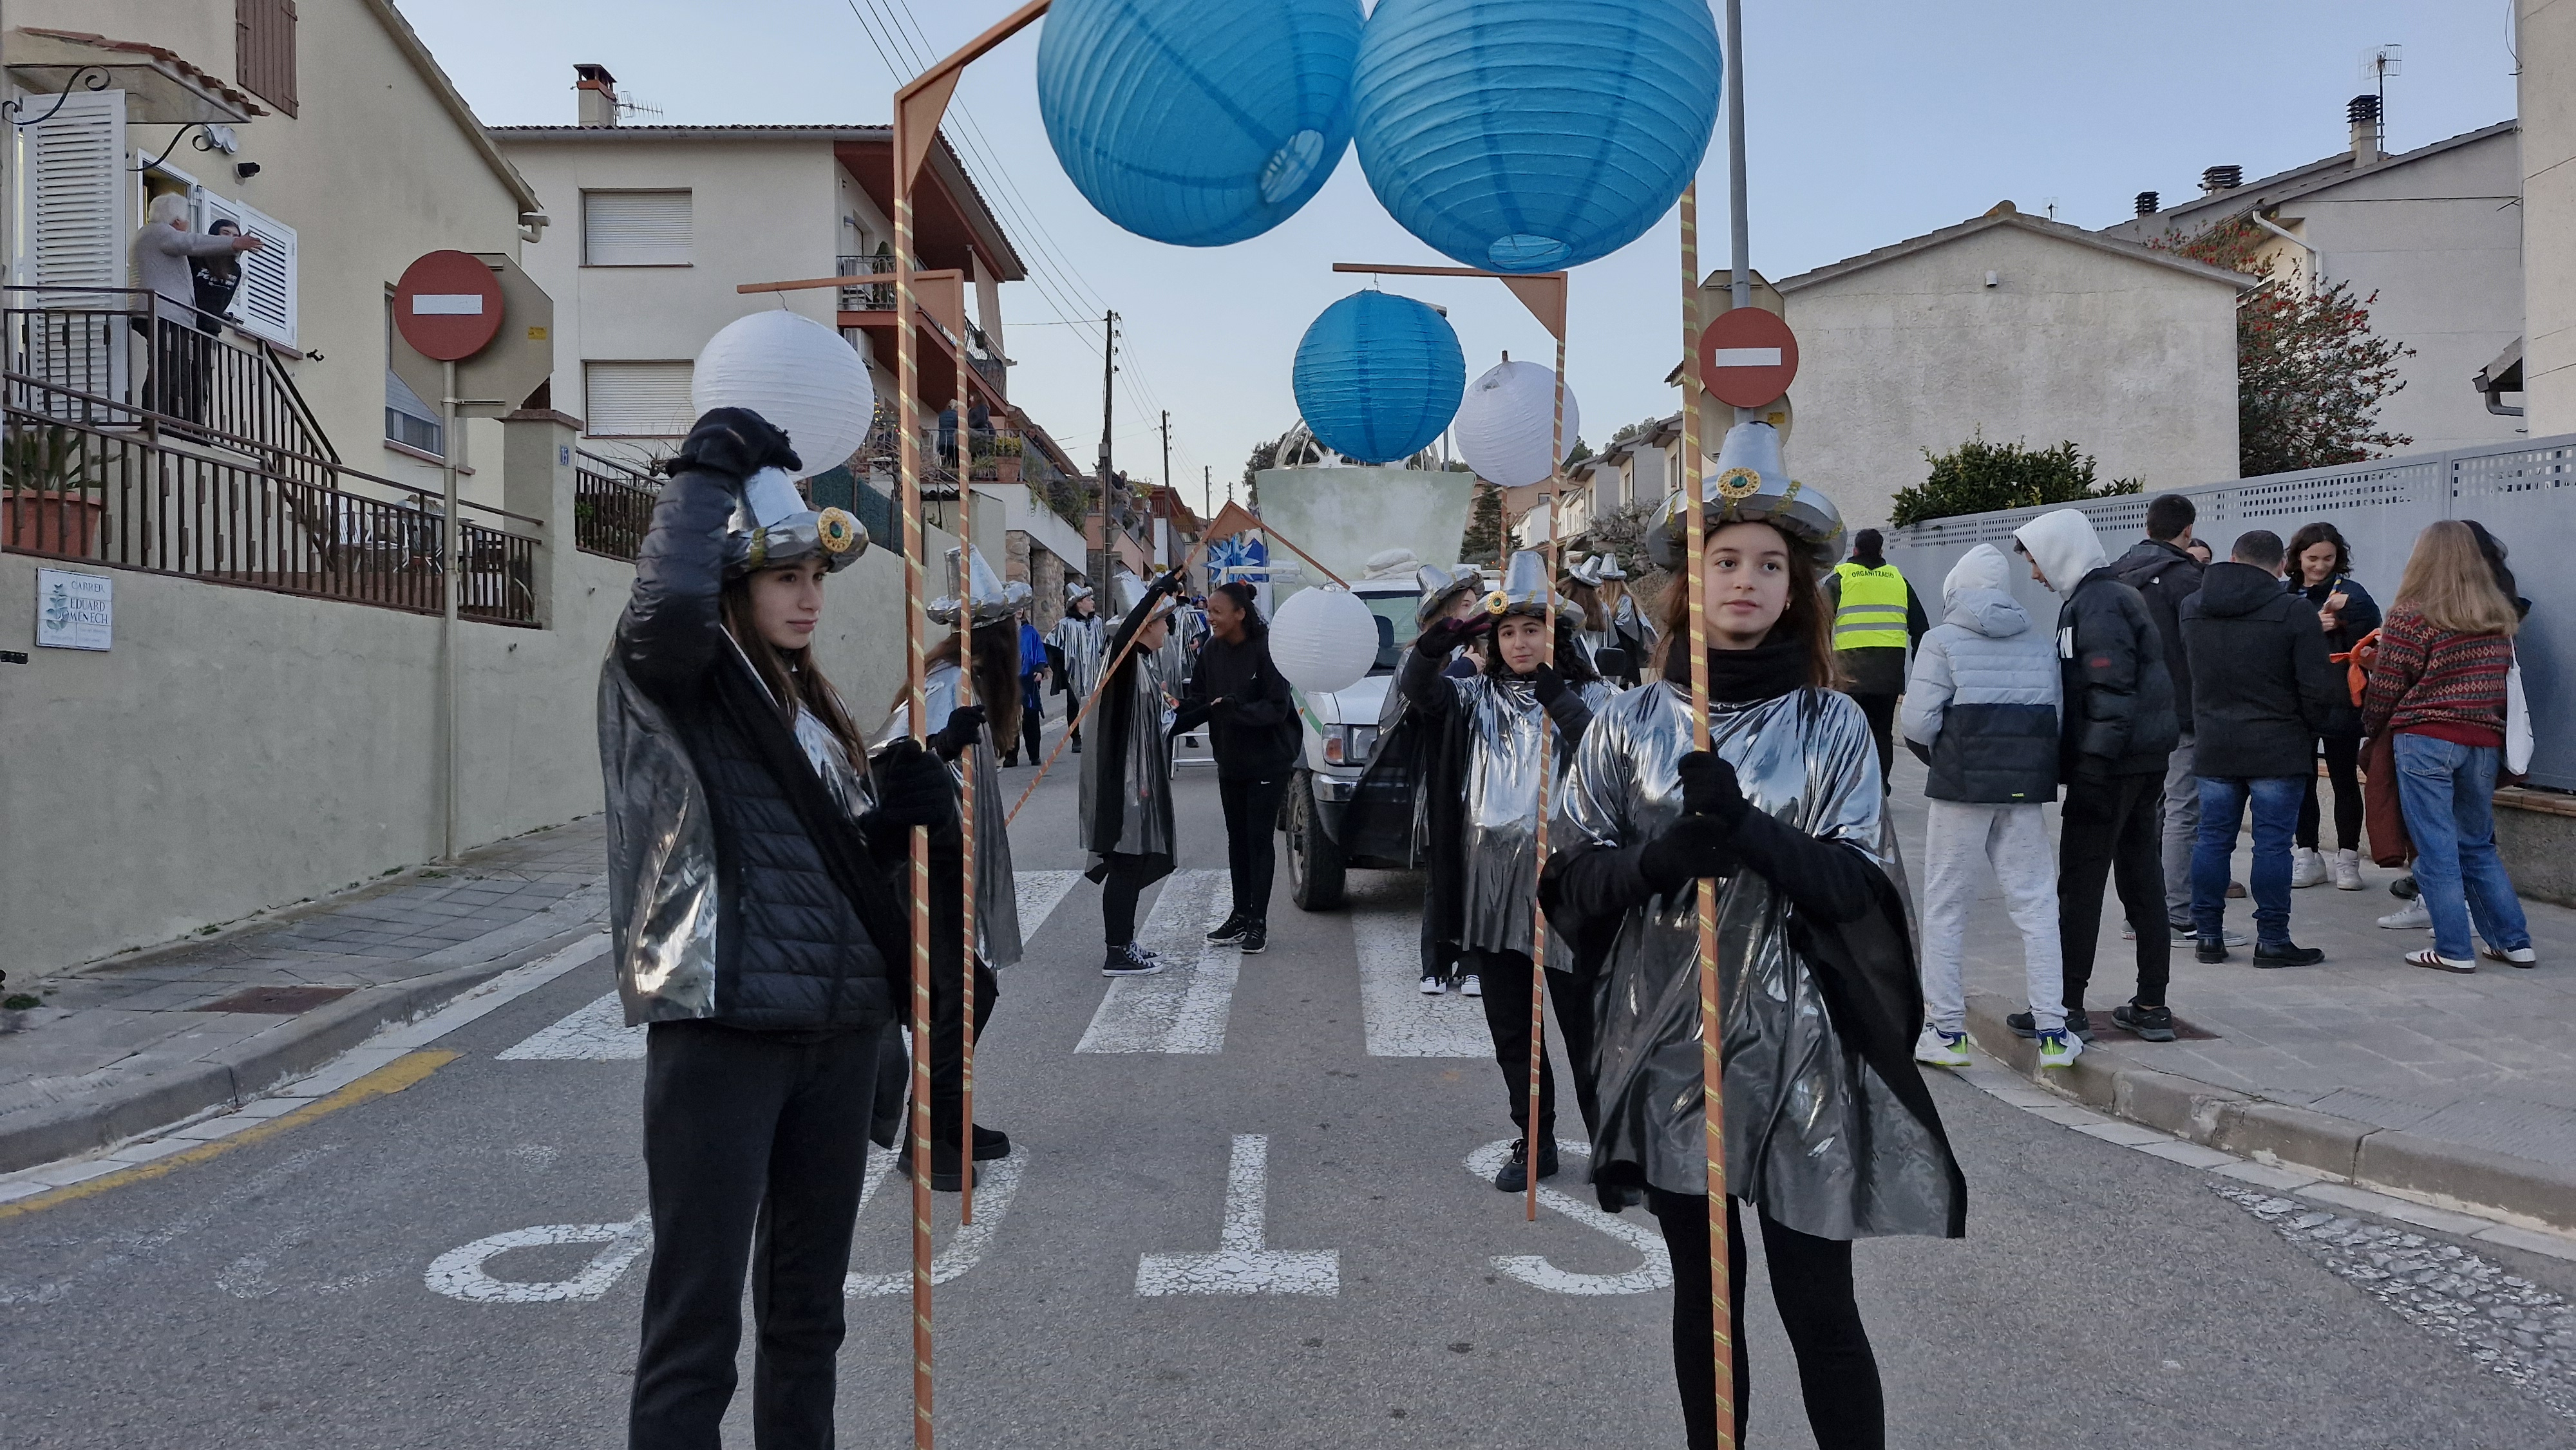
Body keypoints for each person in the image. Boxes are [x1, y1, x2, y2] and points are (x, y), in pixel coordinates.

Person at [1544, 422, 1963, 1450]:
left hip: (1805, 1057)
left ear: (1796, 587)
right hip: (1669, 1048)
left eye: (1769, 565)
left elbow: (1857, 887)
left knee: (1822, 1309)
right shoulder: (1627, 722)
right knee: (1710, 1307)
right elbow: (1565, 884)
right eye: (1724, 561)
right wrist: (1658, 860)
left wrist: (1745, 830)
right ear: (1690, 583)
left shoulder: (1832, 726)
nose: (1745, 580)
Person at [601, 408, 955, 1450]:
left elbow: (823, 874)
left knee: (810, 1318)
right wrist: (703, 474)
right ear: (733, 586)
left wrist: (890, 825)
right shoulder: (689, 685)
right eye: (782, 577)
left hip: (838, 1035)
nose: (808, 597)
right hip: (726, 1028)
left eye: (814, 576)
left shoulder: (811, 706)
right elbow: (661, 611)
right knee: (697, 1326)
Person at [1402, 549, 1609, 1191]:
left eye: (1533, 628)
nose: (1521, 641)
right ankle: (1535, 1138)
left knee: (1586, 1029)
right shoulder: (1472, 697)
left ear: (1557, 633)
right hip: (1492, 892)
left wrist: (1559, 699)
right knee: (1514, 1032)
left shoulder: (1593, 694)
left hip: (1570, 892)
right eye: (1508, 631)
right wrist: (1441, 639)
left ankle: (1610, 1144)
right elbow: (1418, 689)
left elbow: (1613, 756)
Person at [879, 547, 1027, 1191]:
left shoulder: (966, 681)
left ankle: (947, 1119)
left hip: (945, 862)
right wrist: (940, 745)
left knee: (969, 992)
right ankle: (925, 1135)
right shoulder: (950, 683)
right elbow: (892, 760)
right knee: (952, 998)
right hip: (922, 867)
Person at [1900, 543, 2077, 1070]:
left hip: (1961, 786)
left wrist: (1945, 752)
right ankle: (2053, 1032)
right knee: (2037, 906)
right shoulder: (2038, 641)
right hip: (2024, 787)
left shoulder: (1941, 639)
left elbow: (1917, 722)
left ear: (1955, 587)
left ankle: (1946, 1033)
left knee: (1947, 907)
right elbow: (2057, 717)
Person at [2012, 507, 2181, 1042]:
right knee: (2141, 878)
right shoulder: (2108, 597)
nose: (2036, 574)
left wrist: (2091, 768)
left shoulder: (2098, 603)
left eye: (2037, 562)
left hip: (2111, 766)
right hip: (2141, 761)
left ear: (2060, 553)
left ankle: (2065, 1006)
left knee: (2081, 886)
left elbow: (2110, 693)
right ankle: (2151, 1003)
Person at [2361, 522, 2535, 972]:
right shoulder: (2496, 613)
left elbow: (2387, 686)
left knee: (2435, 846)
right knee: (2477, 845)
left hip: (2425, 740)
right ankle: (2513, 942)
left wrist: (2372, 730)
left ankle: (2454, 949)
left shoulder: (2410, 614)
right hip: (2483, 742)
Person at [2180, 531, 2344, 968]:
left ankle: (2209, 936)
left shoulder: (2192, 607)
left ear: (2232, 558)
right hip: (2278, 744)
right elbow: (2316, 687)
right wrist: (2308, 729)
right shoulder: (2293, 610)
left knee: (2213, 840)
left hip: (2215, 741)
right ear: (2280, 566)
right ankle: (2272, 939)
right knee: (2272, 846)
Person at [2110, 493, 2239, 942]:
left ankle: (2138, 912)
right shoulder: (2191, 578)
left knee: (2145, 813)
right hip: (2183, 709)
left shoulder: (2115, 574)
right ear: (2188, 532)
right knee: (2183, 809)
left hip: (2127, 713)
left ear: (2147, 526)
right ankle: (2175, 911)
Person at [1175, 580, 1300, 956]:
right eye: (1208, 611)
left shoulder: (1267, 650)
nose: (1209, 617)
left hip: (1268, 759)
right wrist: (1169, 719)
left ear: (1240, 614)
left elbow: (1277, 708)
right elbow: (1198, 700)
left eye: (1216, 611)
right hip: (1230, 758)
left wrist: (1235, 710)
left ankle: (1258, 922)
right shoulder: (1211, 651)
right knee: (1237, 839)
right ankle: (1240, 914)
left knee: (1258, 840)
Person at [1083, 569, 1189, 975]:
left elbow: (1161, 722)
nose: (1168, 628)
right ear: (1145, 627)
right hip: (1123, 785)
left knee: (1133, 863)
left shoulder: (1144, 665)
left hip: (1138, 784)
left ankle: (1125, 941)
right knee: (1125, 865)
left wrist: (1210, 708)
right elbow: (1125, 636)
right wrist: (1157, 591)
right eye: (1162, 621)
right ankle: (1116, 952)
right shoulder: (1122, 661)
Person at [2283, 521, 2380, 890]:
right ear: (2297, 558)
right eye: (2312, 558)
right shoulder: (2286, 595)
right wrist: (2312, 625)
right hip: (2297, 702)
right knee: (2302, 781)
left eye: (2328, 558)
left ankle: (2348, 858)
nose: (2320, 566)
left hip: (2342, 699)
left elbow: (2374, 636)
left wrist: (2345, 617)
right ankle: (2306, 855)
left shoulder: (2353, 594)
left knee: (2344, 779)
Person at [131, 193, 261, 420]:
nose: (187, 225)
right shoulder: (161, 232)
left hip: (163, 314)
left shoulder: (150, 235)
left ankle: (172, 421)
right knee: (167, 368)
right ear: (178, 220)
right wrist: (233, 243)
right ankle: (155, 419)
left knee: (175, 370)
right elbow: (191, 242)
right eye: (186, 220)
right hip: (165, 314)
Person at [1821, 527, 1929, 780]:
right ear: (1882, 551)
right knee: (1882, 733)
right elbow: (1921, 630)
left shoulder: (1841, 578)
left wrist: (1822, 667)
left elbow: (1818, 624)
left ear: (1855, 550)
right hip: (1888, 676)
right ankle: (1881, 790)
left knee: (1848, 732)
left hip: (1848, 675)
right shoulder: (1898, 580)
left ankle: (1851, 787)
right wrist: (1919, 675)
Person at [1050, 583, 1105, 753]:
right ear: (1079, 604)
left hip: (1095, 669)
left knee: (1098, 703)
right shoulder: (1065, 624)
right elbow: (1051, 644)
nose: (1092, 602)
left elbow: (1104, 644)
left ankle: (1098, 735)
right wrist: (1061, 666)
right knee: (1073, 704)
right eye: (1088, 600)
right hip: (1074, 671)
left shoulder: (1097, 622)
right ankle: (1076, 737)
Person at [190, 218, 245, 336]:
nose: (231, 238)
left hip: (212, 328)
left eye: (235, 236)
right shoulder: (196, 258)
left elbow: (225, 300)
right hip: (188, 322)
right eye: (226, 233)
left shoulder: (236, 270)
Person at [1010, 605, 1049, 766]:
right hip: (1010, 681)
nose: (1020, 610)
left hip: (1029, 681)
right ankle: (1011, 755)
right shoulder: (1004, 632)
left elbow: (1040, 653)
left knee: (1031, 719)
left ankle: (1034, 754)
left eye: (1022, 607)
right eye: (1016, 607)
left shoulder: (1031, 632)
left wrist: (1040, 670)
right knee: (1011, 720)